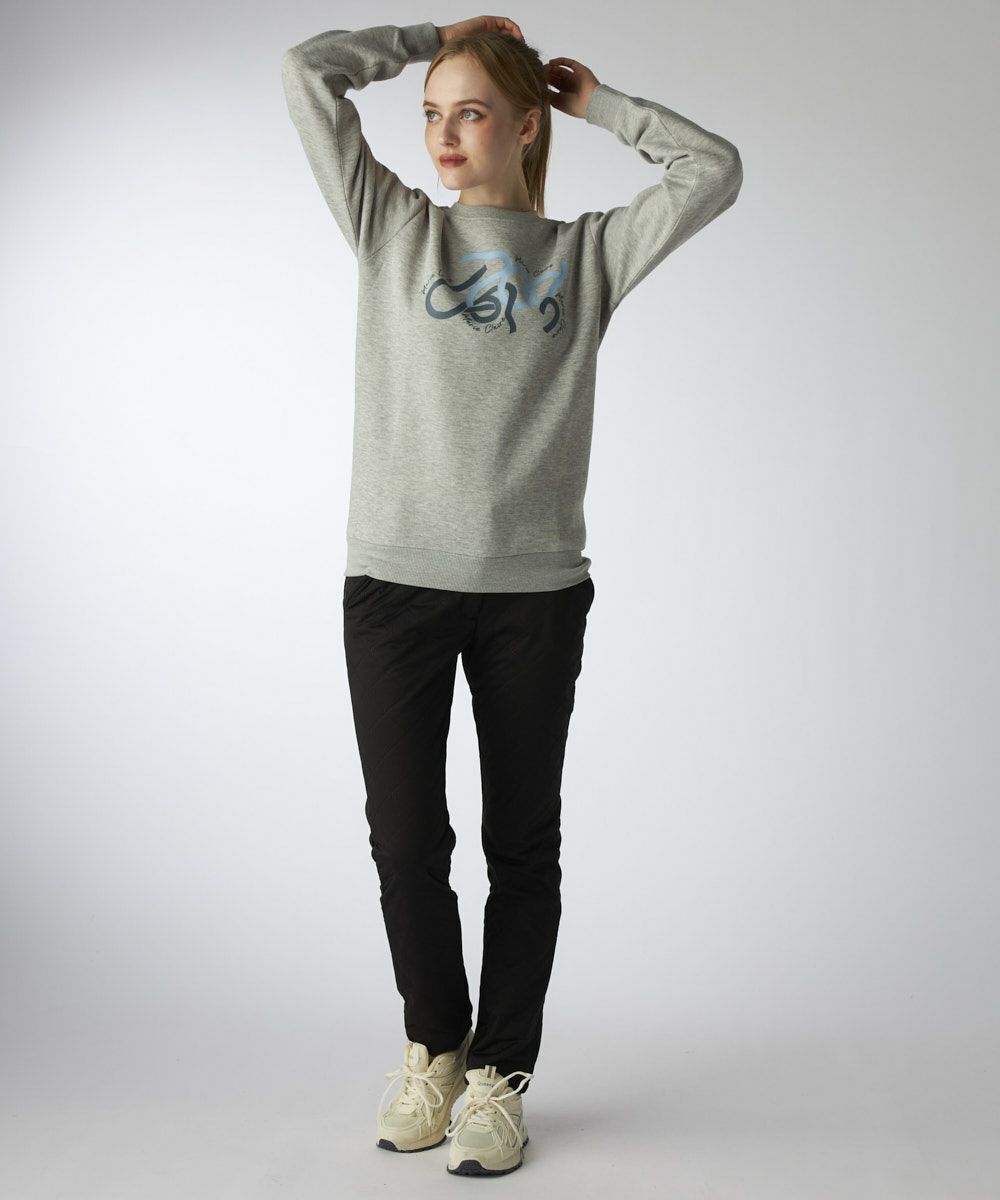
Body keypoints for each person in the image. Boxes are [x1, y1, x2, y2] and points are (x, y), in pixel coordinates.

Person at [281, 12, 742, 1176]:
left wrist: (601, 104)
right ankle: (434, 1048)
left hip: (533, 593)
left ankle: (499, 1077)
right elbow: (306, 74)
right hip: (393, 585)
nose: (442, 135)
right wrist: (430, 37)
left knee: (520, 844)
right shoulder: (393, 227)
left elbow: (713, 170)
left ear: (527, 124)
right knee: (405, 840)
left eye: (471, 112)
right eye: (431, 115)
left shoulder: (586, 257)